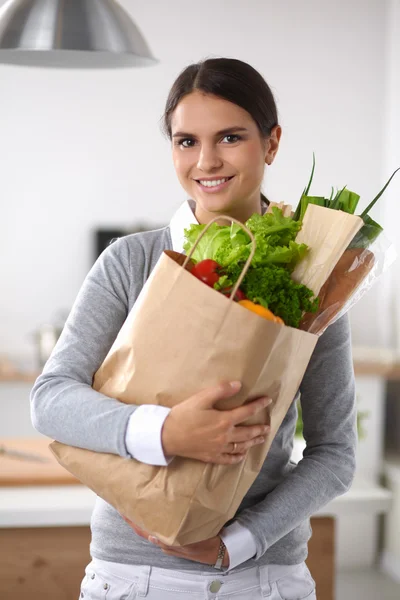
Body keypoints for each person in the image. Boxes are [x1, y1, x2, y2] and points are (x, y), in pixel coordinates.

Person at [30, 58, 356, 600]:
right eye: (186, 142)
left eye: (230, 137)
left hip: (262, 578)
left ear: (271, 143)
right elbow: (52, 399)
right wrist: (164, 432)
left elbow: (335, 452)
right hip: (133, 577)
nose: (206, 161)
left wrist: (240, 542)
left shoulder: (314, 275)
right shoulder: (131, 261)